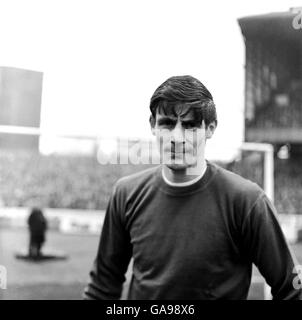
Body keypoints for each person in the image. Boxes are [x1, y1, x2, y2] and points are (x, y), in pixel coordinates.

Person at [84, 75, 301, 300]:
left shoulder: (247, 201)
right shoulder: (126, 193)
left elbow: (293, 288)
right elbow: (102, 286)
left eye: (190, 125)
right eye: (167, 123)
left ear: (210, 128)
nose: (177, 137)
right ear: (152, 125)